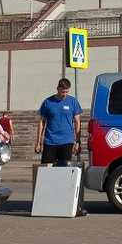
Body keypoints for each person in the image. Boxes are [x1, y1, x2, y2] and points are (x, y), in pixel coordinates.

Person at [36, 79, 85, 214]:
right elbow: (41, 122)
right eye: (63, 91)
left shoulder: (72, 102)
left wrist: (78, 141)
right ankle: (45, 202)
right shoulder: (48, 102)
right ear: (57, 88)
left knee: (64, 173)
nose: (65, 94)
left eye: (67, 91)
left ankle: (63, 202)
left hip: (67, 142)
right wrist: (38, 141)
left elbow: (77, 122)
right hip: (50, 142)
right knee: (46, 174)